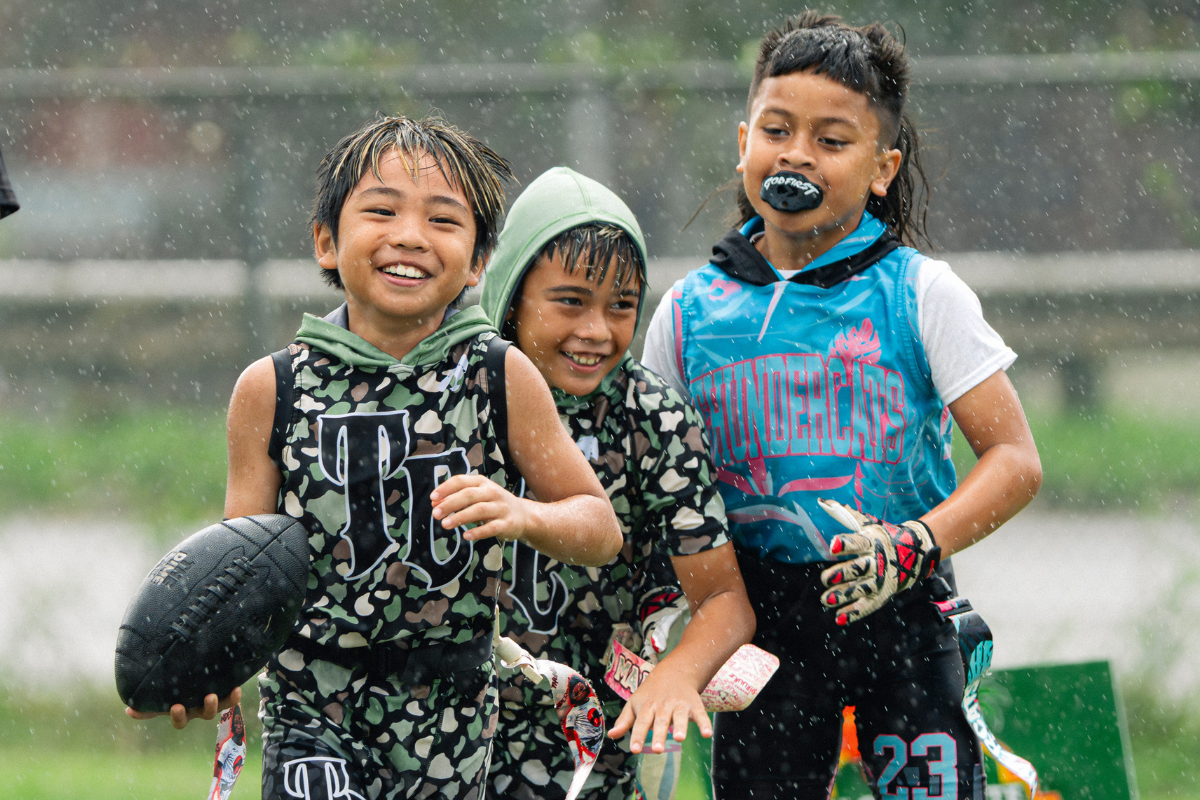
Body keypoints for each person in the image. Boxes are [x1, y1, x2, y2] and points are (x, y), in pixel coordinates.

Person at [128, 115, 623, 800]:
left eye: (444, 221)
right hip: (312, 702)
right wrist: (201, 669)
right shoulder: (272, 388)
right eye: (382, 211)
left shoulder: (498, 375)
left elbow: (600, 529)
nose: (410, 236)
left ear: (479, 259)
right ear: (327, 242)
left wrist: (521, 513)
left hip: (451, 716)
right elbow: (241, 577)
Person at [640, 13, 1043, 800]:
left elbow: (1016, 461)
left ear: (882, 168)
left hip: (903, 604)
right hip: (762, 625)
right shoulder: (687, 312)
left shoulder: (921, 293)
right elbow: (653, 484)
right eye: (777, 129)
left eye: (831, 139)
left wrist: (914, 544)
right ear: (742, 141)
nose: (796, 153)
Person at [479, 167, 756, 800]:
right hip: (452, 725)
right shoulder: (460, 395)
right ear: (512, 295)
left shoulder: (653, 419)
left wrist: (677, 677)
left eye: (621, 305)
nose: (597, 330)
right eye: (571, 300)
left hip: (590, 733)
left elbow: (724, 601)